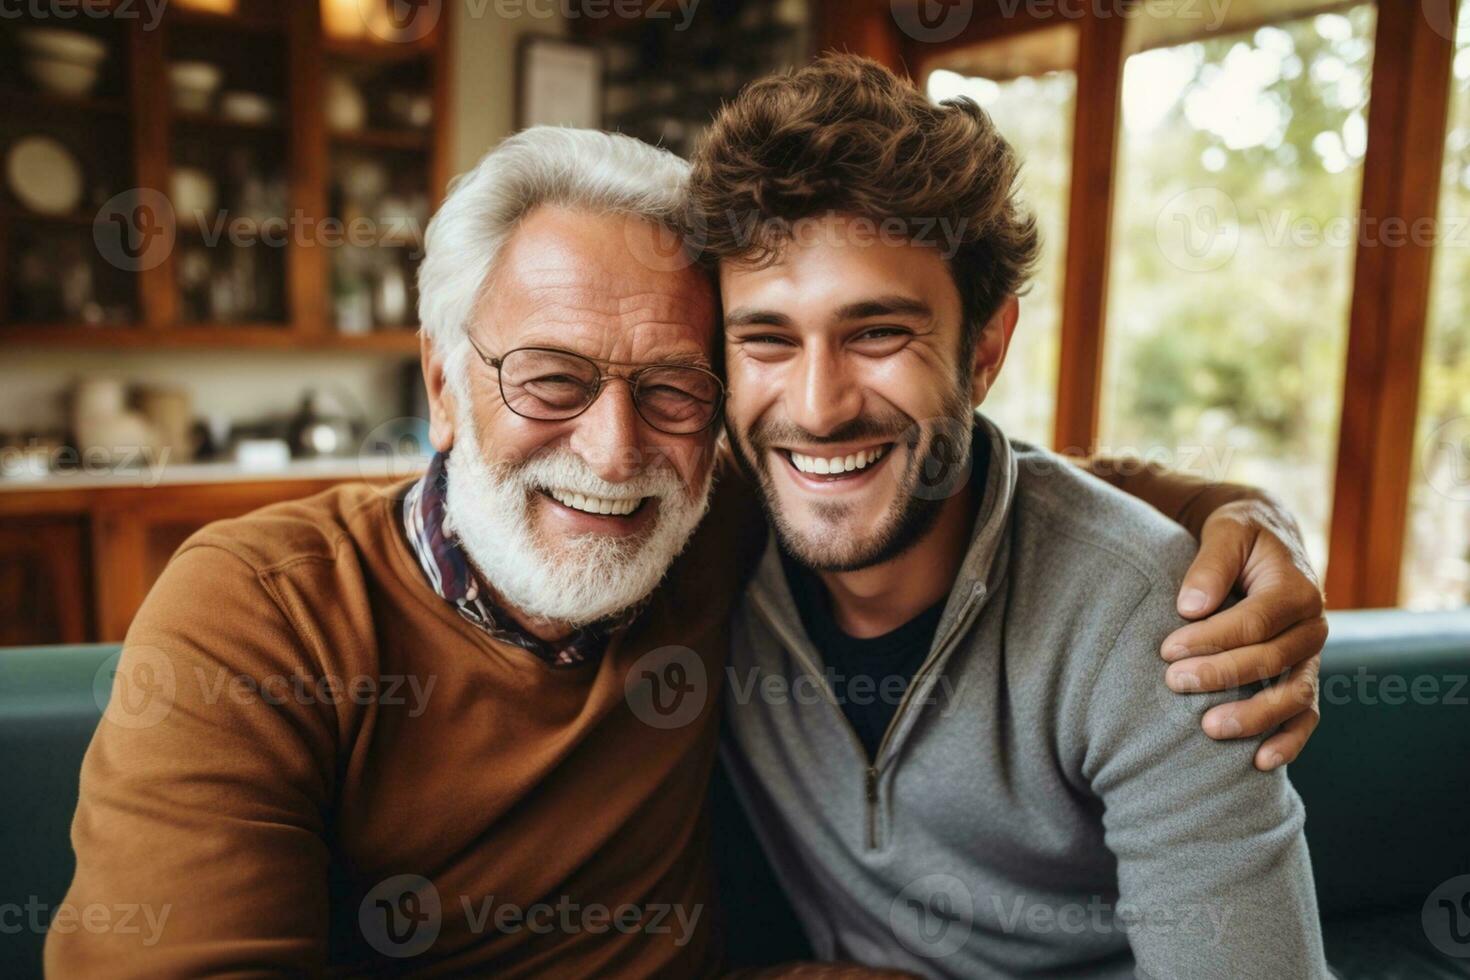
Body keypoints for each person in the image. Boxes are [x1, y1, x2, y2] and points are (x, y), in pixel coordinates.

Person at [48, 121, 1324, 976]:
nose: (612, 452)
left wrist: (1242, 520)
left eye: (674, 386)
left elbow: (976, 472)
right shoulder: (257, 608)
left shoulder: (724, 516)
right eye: (548, 377)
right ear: (442, 384)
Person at [691, 55, 1328, 977]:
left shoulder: (1157, 624)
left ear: (984, 350)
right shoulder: (697, 543)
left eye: (877, 333)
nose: (819, 405)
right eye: (766, 339)